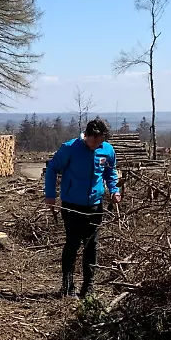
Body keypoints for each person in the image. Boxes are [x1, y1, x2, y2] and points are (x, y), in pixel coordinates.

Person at [44, 117, 120, 298]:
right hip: (72, 204)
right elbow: (52, 168)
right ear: (86, 135)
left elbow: (110, 171)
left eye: (99, 140)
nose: (95, 144)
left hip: (95, 205)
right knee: (72, 243)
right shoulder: (70, 148)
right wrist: (50, 195)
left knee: (91, 245)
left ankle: (89, 286)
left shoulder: (107, 151)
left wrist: (114, 190)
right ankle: (68, 286)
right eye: (93, 140)